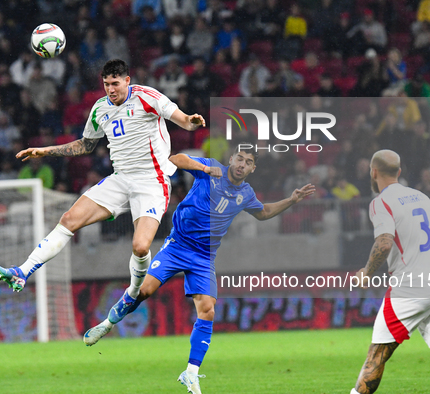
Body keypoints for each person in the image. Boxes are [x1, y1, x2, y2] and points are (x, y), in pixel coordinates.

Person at [83, 145, 315, 394]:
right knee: (143, 291)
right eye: (239, 158)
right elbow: (175, 159)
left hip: (204, 257)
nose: (241, 164)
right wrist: (203, 167)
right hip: (177, 246)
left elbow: (264, 212)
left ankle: (190, 373)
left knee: (208, 310)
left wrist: (291, 200)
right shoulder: (211, 169)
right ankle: (107, 323)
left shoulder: (246, 193)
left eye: (247, 162)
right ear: (231, 158)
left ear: (252, 168)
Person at [0, 59, 207, 315]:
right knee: (69, 219)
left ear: (127, 81)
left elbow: (181, 119)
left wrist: (192, 121)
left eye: (115, 83)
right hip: (120, 179)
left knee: (140, 246)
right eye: (106, 84)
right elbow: (85, 144)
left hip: (152, 181)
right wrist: (45, 151)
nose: (110, 89)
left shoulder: (148, 97)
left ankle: (133, 293)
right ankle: (22, 271)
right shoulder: (100, 108)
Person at [350, 150, 430, 394]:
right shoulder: (423, 198)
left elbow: (384, 242)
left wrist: (366, 272)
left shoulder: (380, 202)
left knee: (376, 355)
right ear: (399, 172)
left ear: (373, 172)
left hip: (408, 288)